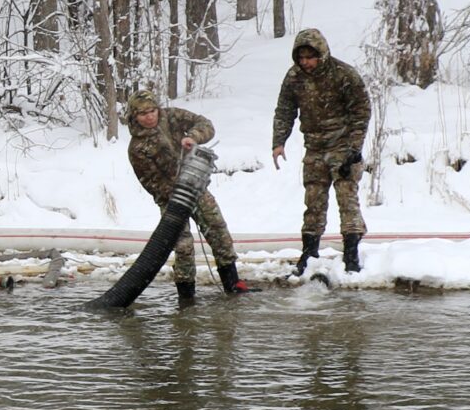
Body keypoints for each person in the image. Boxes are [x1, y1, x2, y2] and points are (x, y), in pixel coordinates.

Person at [125, 88, 248, 299]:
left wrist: (193, 137)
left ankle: (233, 283)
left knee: (219, 232)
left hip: (197, 189)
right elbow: (150, 182)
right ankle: (186, 297)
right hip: (171, 201)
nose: (150, 116)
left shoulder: (172, 117)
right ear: (134, 116)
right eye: (143, 113)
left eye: (152, 110)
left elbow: (205, 124)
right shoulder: (137, 148)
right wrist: (178, 192)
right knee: (183, 248)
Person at [272, 27, 372, 275]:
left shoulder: (343, 74)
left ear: (321, 53)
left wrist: (354, 148)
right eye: (301, 57)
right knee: (313, 202)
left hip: (342, 144)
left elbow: (361, 110)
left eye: (310, 57)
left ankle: (351, 255)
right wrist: (279, 141)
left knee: (347, 199)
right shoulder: (294, 77)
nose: (306, 63)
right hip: (314, 147)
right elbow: (285, 109)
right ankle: (309, 254)